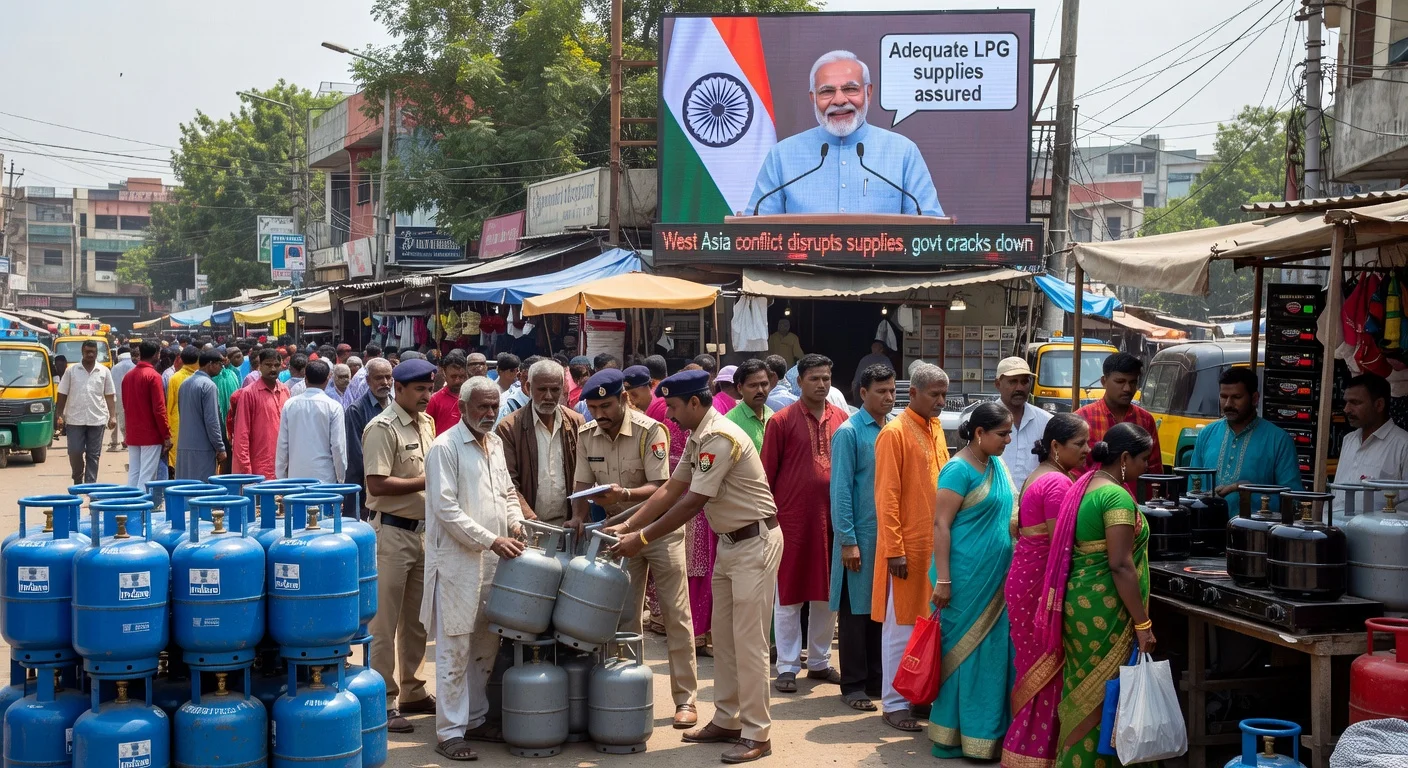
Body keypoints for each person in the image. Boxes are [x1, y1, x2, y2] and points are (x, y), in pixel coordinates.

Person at [608, 370, 783, 764]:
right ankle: (728, 719)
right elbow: (671, 488)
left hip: (755, 543)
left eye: (672, 406)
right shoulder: (699, 434)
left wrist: (641, 538)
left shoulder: (719, 437)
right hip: (731, 543)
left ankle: (758, 733)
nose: (668, 414)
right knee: (725, 638)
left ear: (694, 402)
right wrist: (628, 524)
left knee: (749, 643)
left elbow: (691, 502)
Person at [569, 369, 699, 727]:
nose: (599, 414)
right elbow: (581, 482)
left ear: (624, 398)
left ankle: (685, 699)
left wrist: (624, 494)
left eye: (606, 406)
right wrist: (577, 516)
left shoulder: (650, 430)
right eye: (593, 408)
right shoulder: (586, 434)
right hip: (618, 535)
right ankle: (626, 694)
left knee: (675, 615)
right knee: (624, 618)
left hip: (659, 531)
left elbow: (662, 487)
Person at [1042, 423, 1157, 768]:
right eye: (1143, 459)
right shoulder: (1115, 496)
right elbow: (1120, 564)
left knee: (1084, 687)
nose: (1146, 467)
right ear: (1124, 458)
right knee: (1103, 693)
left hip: (1082, 603)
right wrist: (1143, 624)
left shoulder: (1085, 485)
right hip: (1105, 610)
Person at [423, 376, 525, 760]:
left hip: (495, 562)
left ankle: (476, 719)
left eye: (494, 406)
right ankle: (449, 733)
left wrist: (515, 523)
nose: (489, 413)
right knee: (455, 649)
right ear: (462, 408)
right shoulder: (444, 447)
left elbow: (508, 492)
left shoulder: (494, 443)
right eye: (482, 406)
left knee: (486, 643)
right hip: (457, 564)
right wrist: (492, 539)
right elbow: (446, 510)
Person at [746, 50, 942, 217]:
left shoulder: (903, 152)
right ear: (813, 98)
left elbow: (929, 232)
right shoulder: (782, 155)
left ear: (868, 93)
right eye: (827, 91)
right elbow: (754, 232)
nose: (839, 100)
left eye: (850, 89)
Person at [928, 402, 1015, 760]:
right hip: (963, 579)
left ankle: (987, 737)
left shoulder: (996, 465)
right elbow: (941, 525)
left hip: (997, 579)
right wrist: (944, 579)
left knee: (991, 655)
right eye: (1002, 434)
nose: (1008, 440)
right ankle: (951, 736)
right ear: (979, 433)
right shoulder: (958, 469)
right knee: (962, 656)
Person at [1001, 413, 1089, 767]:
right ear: (1055, 446)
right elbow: (1061, 544)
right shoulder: (1057, 484)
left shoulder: (1040, 475)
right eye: (1079, 443)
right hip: (1038, 584)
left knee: (1032, 666)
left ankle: (1026, 750)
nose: (1087, 450)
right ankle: (1034, 754)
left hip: (1025, 578)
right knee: (1047, 669)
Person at [762, 353, 847, 693]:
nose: (821, 384)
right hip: (792, 521)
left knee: (827, 593)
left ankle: (819, 661)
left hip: (833, 521)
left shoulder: (841, 418)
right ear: (799, 382)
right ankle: (786, 665)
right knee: (789, 595)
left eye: (826, 378)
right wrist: (768, 519)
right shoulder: (781, 421)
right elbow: (766, 475)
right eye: (814, 378)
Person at [363, 358, 439, 733]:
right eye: (419, 389)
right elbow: (376, 483)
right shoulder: (382, 427)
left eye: (429, 388)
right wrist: (429, 480)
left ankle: (413, 690)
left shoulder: (427, 423)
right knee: (384, 623)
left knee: (417, 621)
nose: (426, 395)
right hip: (391, 534)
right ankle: (383, 699)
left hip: (423, 533)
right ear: (400, 389)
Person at [872, 362, 949, 731]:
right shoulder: (894, 433)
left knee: (927, 625)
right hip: (906, 550)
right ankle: (893, 703)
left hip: (935, 548)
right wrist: (894, 550)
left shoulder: (936, 428)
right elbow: (886, 496)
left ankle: (917, 696)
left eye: (944, 394)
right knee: (901, 628)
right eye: (934, 394)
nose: (941, 401)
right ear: (913, 393)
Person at [829, 363, 895, 712]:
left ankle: (875, 679)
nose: (888, 397)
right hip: (860, 536)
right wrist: (848, 540)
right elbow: (840, 490)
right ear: (863, 392)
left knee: (879, 610)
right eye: (881, 391)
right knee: (855, 612)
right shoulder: (849, 433)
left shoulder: (893, 428)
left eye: (892, 390)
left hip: (887, 536)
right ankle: (853, 684)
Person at [1190, 367, 1303, 516]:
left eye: (1237, 397)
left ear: (1255, 398)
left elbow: (1294, 502)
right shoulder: (1206, 434)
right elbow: (1192, 490)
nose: (1228, 404)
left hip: (1255, 528)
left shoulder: (1279, 440)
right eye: (1223, 396)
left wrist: (1250, 490)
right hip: (1208, 526)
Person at [495, 360, 584, 526]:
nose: (549, 396)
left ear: (563, 388)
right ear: (528, 387)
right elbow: (508, 482)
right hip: (528, 525)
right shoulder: (509, 428)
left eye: (555, 389)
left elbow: (584, 477)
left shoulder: (576, 422)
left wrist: (578, 515)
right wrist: (530, 520)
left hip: (568, 525)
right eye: (542, 389)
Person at [1075, 352, 1163, 474]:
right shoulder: (1083, 418)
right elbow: (1074, 470)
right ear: (1104, 381)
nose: (1127, 388)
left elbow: (1154, 469)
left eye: (1132, 382)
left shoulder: (1145, 419)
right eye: (1120, 381)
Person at [1334, 373, 1408, 506]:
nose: (1346, 409)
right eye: (1346, 402)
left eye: (1355, 403)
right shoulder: (1349, 440)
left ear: (1379, 405)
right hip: (1337, 518)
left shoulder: (1403, 444)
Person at [56, 340, 117, 485]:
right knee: (75, 452)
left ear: (97, 353)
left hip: (97, 419)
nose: (90, 354)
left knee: (93, 455)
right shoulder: (71, 371)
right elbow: (62, 393)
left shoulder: (104, 371)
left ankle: (90, 486)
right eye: (87, 351)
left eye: (93, 352)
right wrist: (59, 415)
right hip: (74, 419)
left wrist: (113, 416)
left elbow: (109, 395)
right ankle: (78, 480)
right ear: (82, 352)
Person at [276, 360, 347, 484]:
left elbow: (282, 444)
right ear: (327, 379)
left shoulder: (290, 405)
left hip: (295, 478)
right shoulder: (334, 407)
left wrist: (281, 477)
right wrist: (341, 478)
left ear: (305, 379)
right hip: (325, 479)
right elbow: (338, 447)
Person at [231, 349, 290, 480]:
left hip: (283, 467)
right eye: (268, 365)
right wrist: (246, 471)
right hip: (258, 468)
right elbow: (242, 434)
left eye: (276, 365)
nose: (273, 369)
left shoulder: (285, 391)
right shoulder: (248, 393)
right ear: (260, 366)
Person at [346, 358, 395, 517]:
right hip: (366, 487)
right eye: (379, 378)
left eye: (388, 377)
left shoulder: (396, 407)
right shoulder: (356, 410)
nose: (385, 382)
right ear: (368, 380)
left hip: (391, 485)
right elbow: (356, 455)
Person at [995, 356, 1052, 490]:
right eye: (1013, 382)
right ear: (998, 384)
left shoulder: (1046, 420)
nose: (1019, 388)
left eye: (1025, 381)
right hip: (995, 499)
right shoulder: (983, 420)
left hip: (1034, 498)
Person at [123, 341, 170, 489]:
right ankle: (141, 504)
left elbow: (126, 405)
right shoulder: (154, 376)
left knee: (134, 473)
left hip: (133, 432)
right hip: (150, 434)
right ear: (156, 354)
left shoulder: (128, 376)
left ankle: (131, 502)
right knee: (147, 476)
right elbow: (159, 409)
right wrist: (166, 434)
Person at [175, 350, 228, 480]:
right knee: (202, 488)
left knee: (186, 486)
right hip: (203, 448)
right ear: (210, 364)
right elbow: (212, 420)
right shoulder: (208, 386)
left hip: (184, 446)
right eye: (220, 364)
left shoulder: (185, 384)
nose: (221, 368)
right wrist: (220, 447)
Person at [165, 345, 200, 468]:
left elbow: (169, 405)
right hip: (195, 424)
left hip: (177, 424)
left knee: (178, 461)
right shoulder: (201, 378)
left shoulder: (174, 378)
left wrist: (168, 429)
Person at [427, 352, 471, 435]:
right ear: (444, 374)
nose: (457, 381)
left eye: (461, 376)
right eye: (453, 377)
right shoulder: (435, 399)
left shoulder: (472, 398)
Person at [109, 346, 135, 452]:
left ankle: (114, 442)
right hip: (130, 398)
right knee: (127, 420)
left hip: (116, 397)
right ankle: (127, 440)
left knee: (113, 417)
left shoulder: (114, 368)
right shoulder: (134, 367)